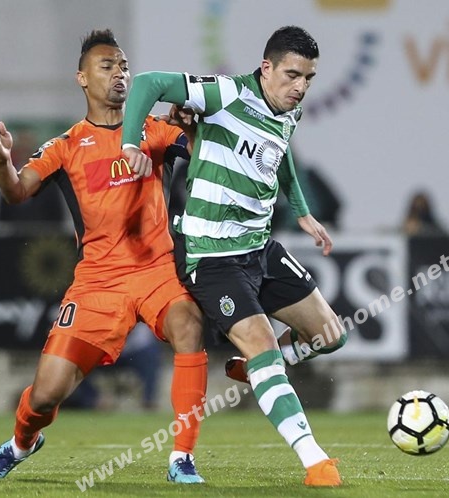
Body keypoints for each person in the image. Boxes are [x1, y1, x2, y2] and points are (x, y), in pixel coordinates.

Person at [0, 29, 208, 484]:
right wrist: (3, 162)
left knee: (189, 327)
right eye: (107, 66)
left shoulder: (156, 129)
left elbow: (204, 156)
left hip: (157, 271)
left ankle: (182, 457)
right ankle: (21, 443)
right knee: (46, 395)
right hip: (98, 283)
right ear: (82, 77)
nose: (120, 74)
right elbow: (17, 192)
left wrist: (194, 127)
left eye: (124, 66)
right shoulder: (66, 145)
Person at [122, 25, 347, 487]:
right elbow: (147, 83)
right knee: (265, 345)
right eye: (292, 75)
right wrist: (129, 143)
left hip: (259, 248)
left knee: (331, 335)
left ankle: (255, 368)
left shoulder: (289, 110)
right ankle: (315, 462)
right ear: (266, 68)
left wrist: (302, 210)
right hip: (211, 256)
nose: (301, 86)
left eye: (309, 78)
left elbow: (280, 151)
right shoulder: (227, 94)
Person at [0, 127, 67, 231]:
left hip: (42, 236)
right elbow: (2, 215)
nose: (24, 151)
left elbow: (57, 215)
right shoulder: (8, 176)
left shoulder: (48, 177)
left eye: (27, 147)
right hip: (14, 236)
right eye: (22, 148)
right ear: (16, 150)